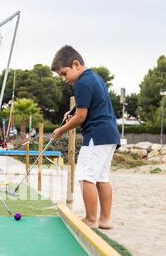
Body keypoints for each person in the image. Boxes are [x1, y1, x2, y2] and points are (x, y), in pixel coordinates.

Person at [51, 45, 120, 230]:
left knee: (85, 175)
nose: (64, 79)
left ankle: (90, 219)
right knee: (101, 177)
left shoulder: (81, 83)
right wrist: (71, 111)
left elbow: (81, 117)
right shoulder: (95, 78)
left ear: (76, 64)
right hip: (110, 134)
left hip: (96, 136)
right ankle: (104, 220)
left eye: (64, 74)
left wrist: (61, 130)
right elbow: (90, 104)